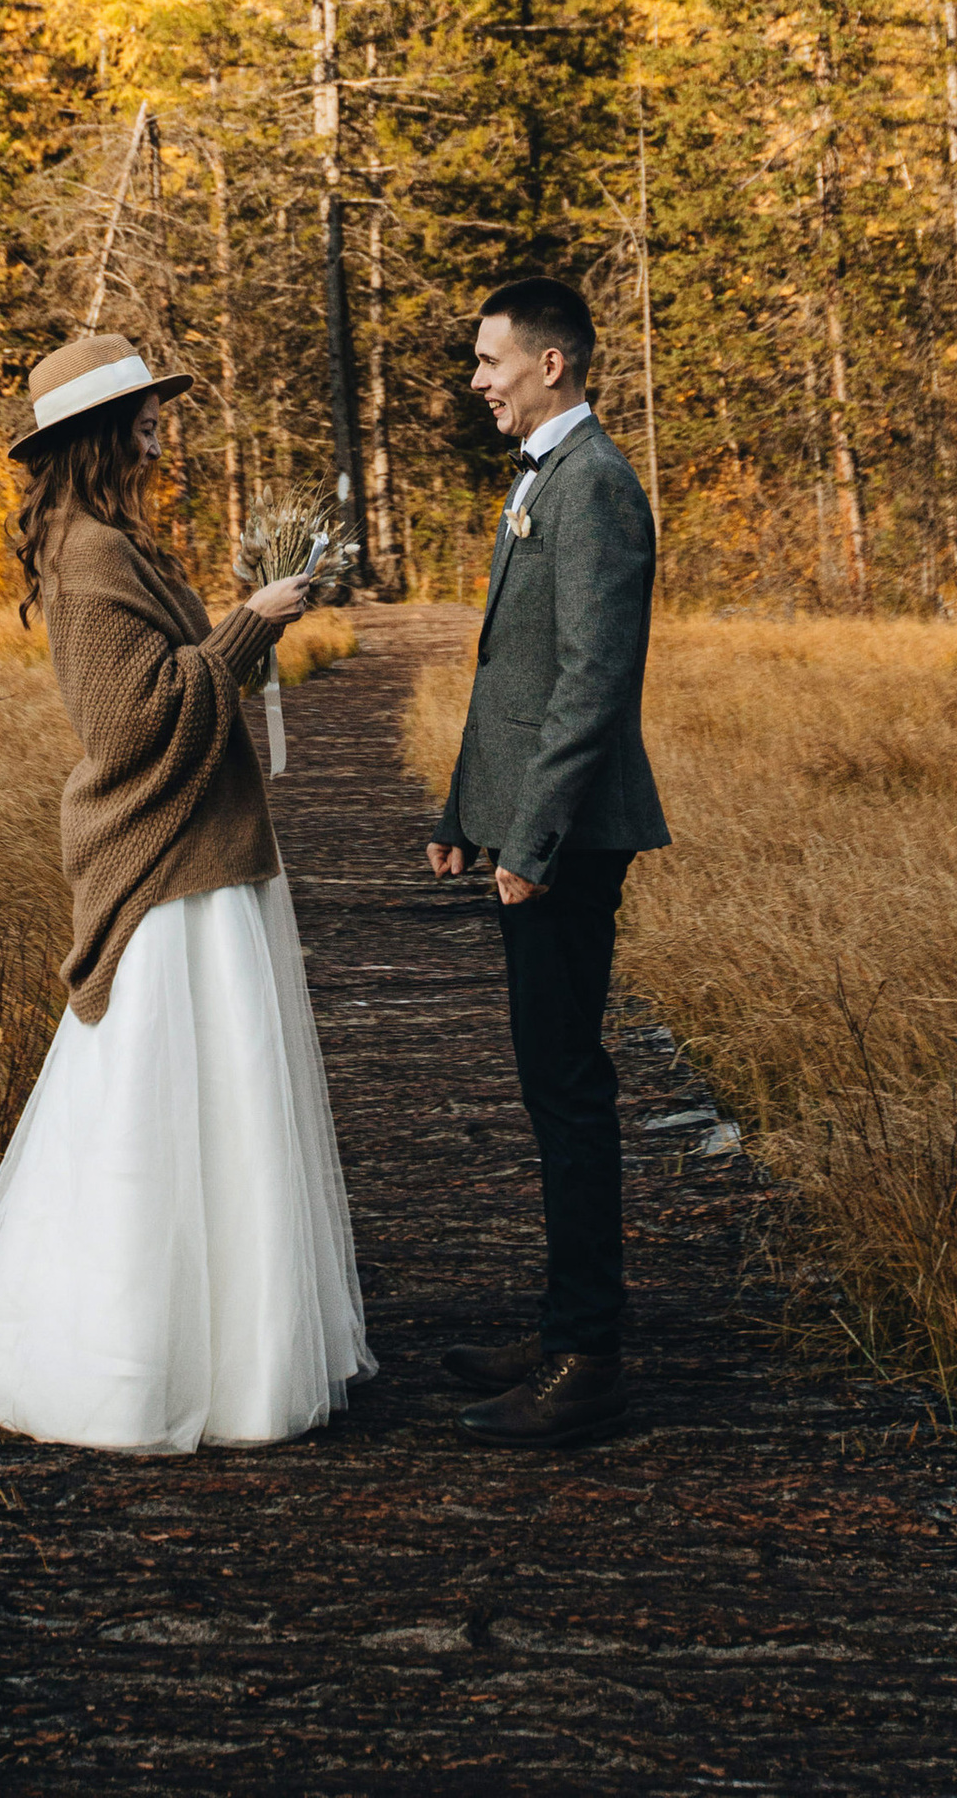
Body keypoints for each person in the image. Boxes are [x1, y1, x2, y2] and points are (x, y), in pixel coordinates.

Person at [0, 330, 372, 1451]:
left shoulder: (118, 542)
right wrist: (246, 627)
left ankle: (230, 1357)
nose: (157, 425)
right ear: (98, 434)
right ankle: (134, 1368)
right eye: (140, 411)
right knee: (162, 1111)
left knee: (217, 1113)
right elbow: (129, 724)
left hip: (207, 853)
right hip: (169, 868)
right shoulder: (86, 558)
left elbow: (184, 684)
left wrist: (247, 628)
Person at [427, 274, 670, 1446]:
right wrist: (463, 809)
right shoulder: (546, 480)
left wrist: (530, 840)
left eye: (490, 361)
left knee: (568, 1093)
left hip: (570, 839)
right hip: (530, 828)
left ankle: (588, 1360)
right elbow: (508, 672)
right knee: (548, 1084)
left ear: (552, 364)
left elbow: (590, 682)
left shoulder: (599, 488)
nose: (477, 382)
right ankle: (563, 1322)